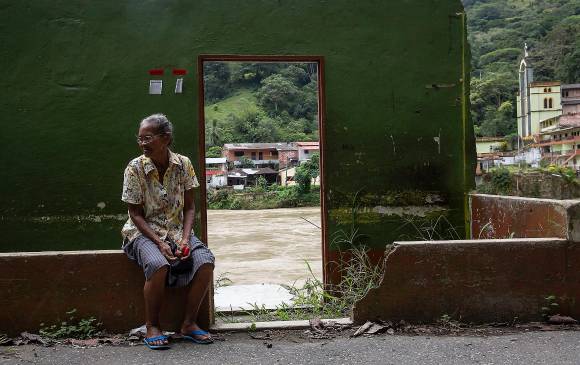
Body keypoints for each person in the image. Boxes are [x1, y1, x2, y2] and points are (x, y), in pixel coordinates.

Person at [121, 113, 215, 350]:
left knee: (205, 262)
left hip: (176, 230)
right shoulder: (134, 168)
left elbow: (190, 207)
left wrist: (184, 239)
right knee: (158, 264)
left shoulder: (183, 164)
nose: (142, 143)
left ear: (166, 138)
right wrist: (160, 243)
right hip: (142, 233)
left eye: (148, 138)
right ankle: (152, 325)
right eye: (140, 139)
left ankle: (189, 324)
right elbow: (135, 214)